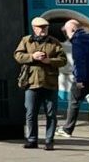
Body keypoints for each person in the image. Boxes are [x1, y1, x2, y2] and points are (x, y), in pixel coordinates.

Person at [15, 15, 66, 150]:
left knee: (51, 114)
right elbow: (18, 56)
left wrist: (49, 61)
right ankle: (32, 140)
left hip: (50, 82)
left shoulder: (54, 42)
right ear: (34, 28)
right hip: (31, 82)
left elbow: (63, 60)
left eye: (45, 27)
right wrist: (32, 57)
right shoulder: (26, 40)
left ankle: (49, 141)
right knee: (31, 113)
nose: (44, 30)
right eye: (41, 27)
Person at [64, 19, 89, 138]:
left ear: (73, 30)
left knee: (74, 102)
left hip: (83, 79)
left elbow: (79, 62)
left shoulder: (78, 41)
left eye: (67, 31)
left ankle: (67, 130)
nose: (67, 34)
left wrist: (79, 79)